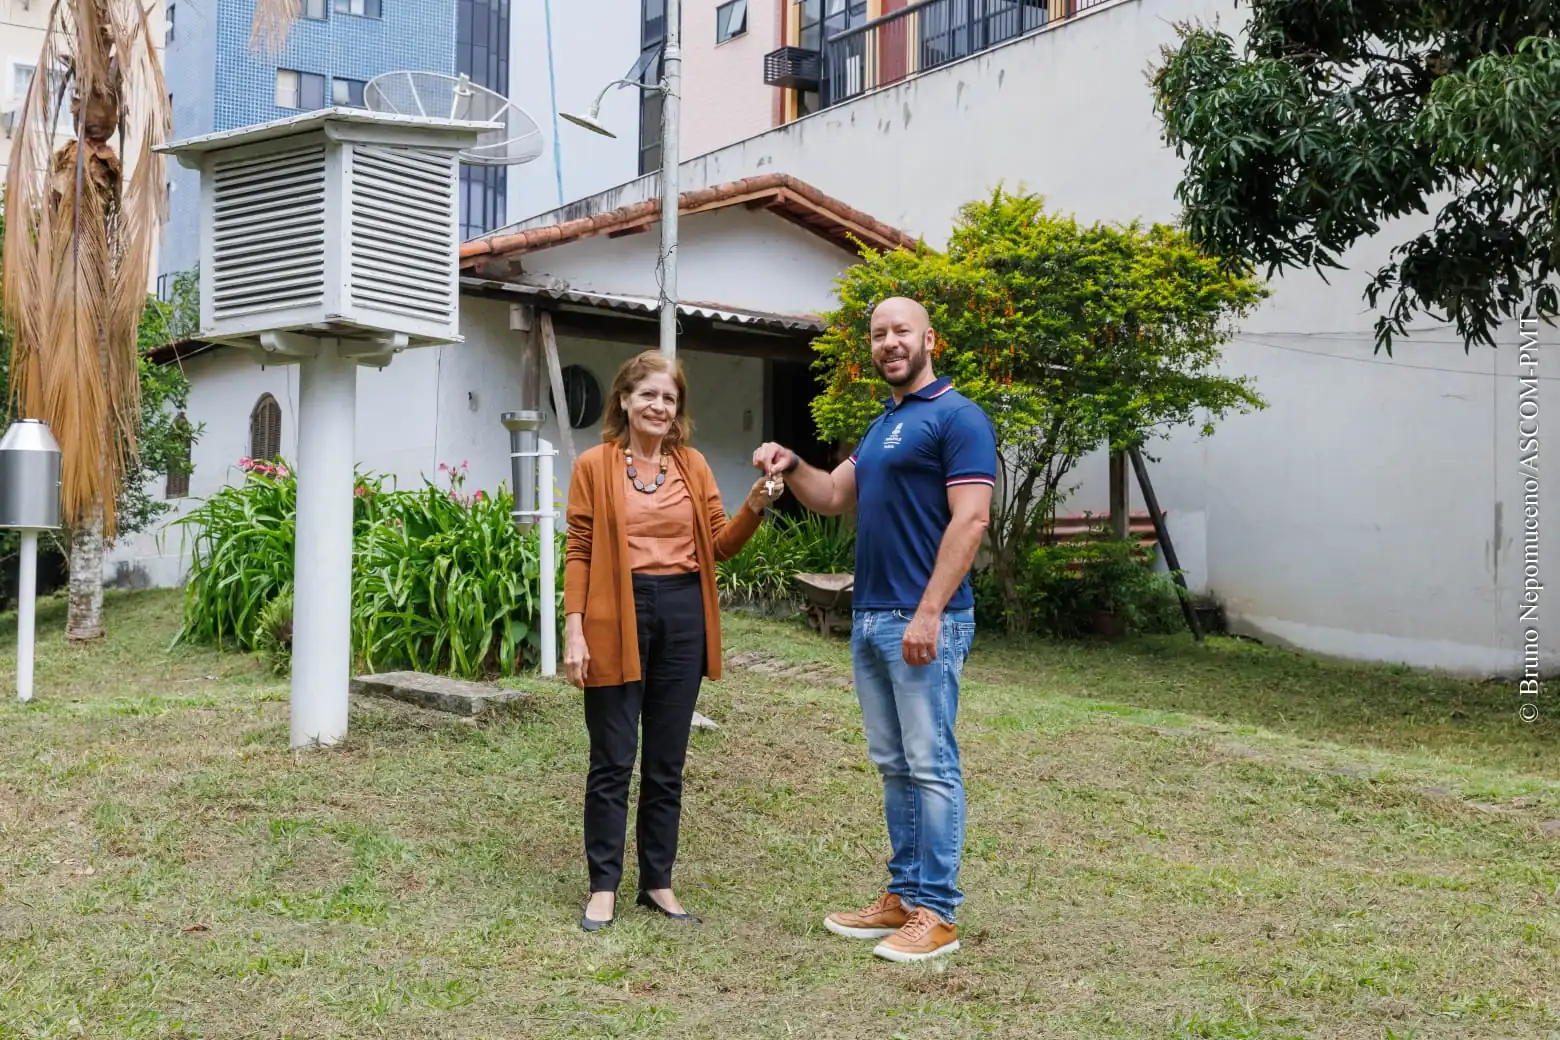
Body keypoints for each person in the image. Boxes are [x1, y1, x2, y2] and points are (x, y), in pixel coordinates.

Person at [752, 297, 996, 963]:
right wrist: (790, 463)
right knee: (895, 764)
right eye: (879, 334)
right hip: (872, 615)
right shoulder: (884, 424)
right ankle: (905, 895)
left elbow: (970, 520)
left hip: (923, 620)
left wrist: (929, 611)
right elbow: (833, 495)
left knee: (931, 763)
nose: (890, 342)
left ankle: (938, 913)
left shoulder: (958, 417)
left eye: (902, 332)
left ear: (929, 340)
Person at [564, 349, 782, 932]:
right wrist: (574, 628)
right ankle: (602, 887)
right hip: (617, 610)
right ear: (626, 401)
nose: (660, 406)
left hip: (683, 610)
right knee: (612, 758)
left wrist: (755, 505)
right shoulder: (595, 464)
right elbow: (580, 549)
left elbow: (720, 544)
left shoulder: (693, 466)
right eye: (649, 395)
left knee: (667, 761)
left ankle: (656, 883)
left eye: (670, 398)